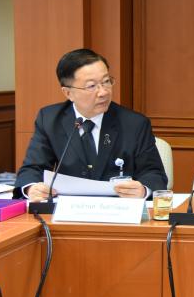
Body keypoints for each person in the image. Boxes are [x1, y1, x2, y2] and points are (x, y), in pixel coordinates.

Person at [14, 49, 167, 201]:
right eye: (91, 86)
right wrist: (31, 188)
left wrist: (143, 190)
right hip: (68, 209)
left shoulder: (134, 123)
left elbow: (154, 174)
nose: (103, 92)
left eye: (106, 81)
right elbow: (32, 169)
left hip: (118, 208)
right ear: (68, 93)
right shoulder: (50, 119)